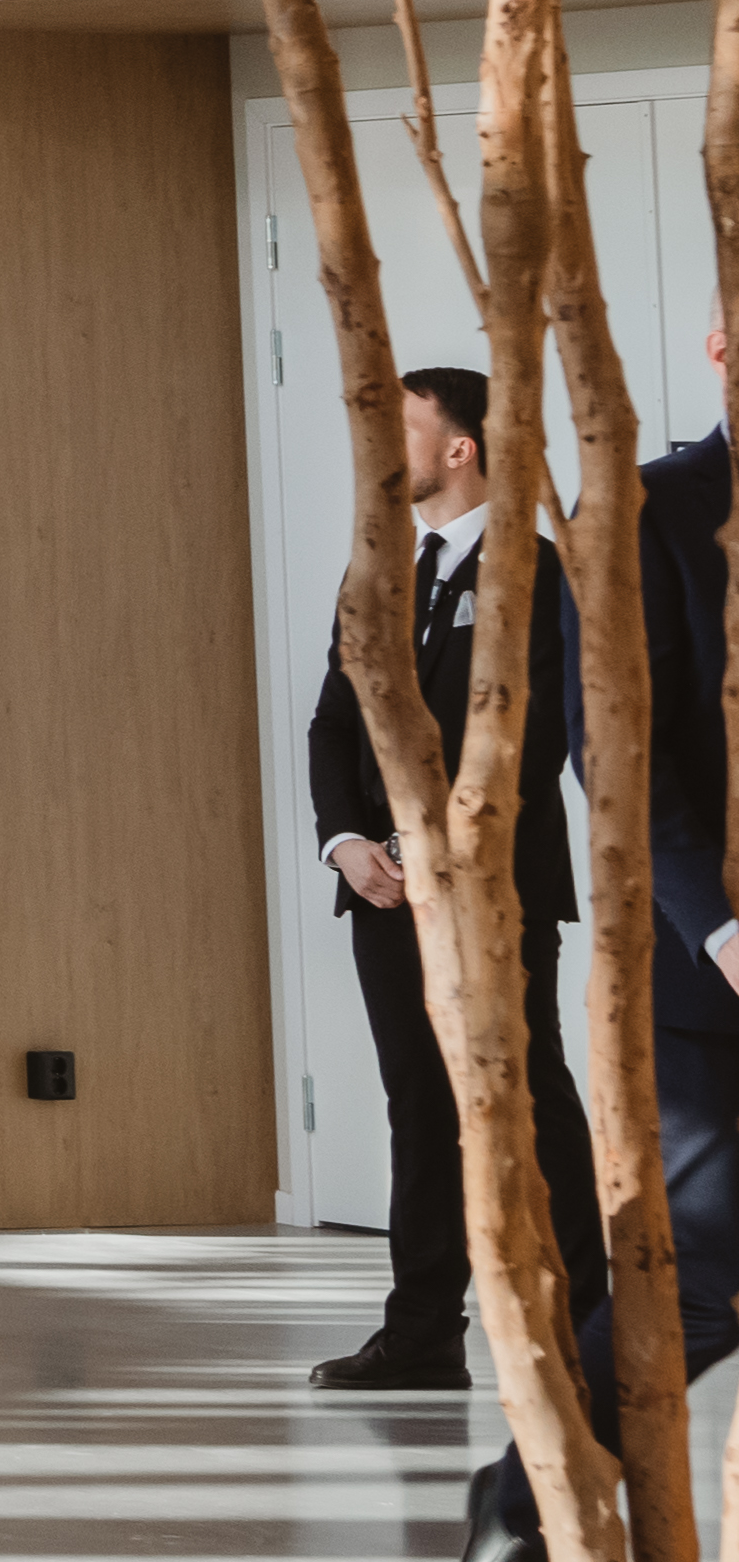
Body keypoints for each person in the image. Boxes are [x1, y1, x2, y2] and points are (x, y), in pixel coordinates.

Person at [462, 336, 739, 1562]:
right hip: (706, 975)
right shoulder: (640, 512)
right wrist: (726, 928)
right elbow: (615, 752)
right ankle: (521, 1502)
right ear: (718, 345)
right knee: (705, 1274)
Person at [308, 366, 593, 1411]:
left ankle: (587, 1320)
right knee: (416, 1106)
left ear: (460, 446)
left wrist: (444, 845)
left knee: (528, 1099)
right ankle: (423, 1331)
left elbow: (537, 734)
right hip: (382, 892)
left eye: (406, 425)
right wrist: (346, 843)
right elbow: (331, 725)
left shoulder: (542, 575)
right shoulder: (373, 575)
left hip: (496, 889)